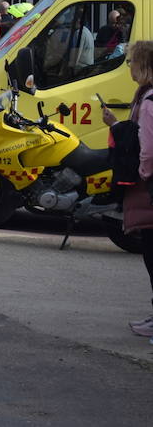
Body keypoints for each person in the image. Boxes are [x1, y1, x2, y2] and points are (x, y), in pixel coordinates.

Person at [102, 40, 153, 341]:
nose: (129, 66)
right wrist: (115, 123)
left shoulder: (147, 102)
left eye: (132, 61)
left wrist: (143, 175)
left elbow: (147, 149)